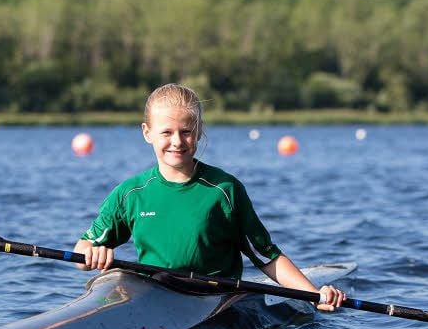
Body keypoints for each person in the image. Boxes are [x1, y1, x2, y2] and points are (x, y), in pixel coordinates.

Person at [74, 83, 345, 311]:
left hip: (215, 300)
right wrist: (91, 254)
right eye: (166, 132)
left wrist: (314, 295)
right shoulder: (129, 194)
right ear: (147, 133)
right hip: (155, 298)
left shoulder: (225, 189)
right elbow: (82, 249)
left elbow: (267, 258)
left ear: (199, 131)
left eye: (186, 131)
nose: (177, 141)